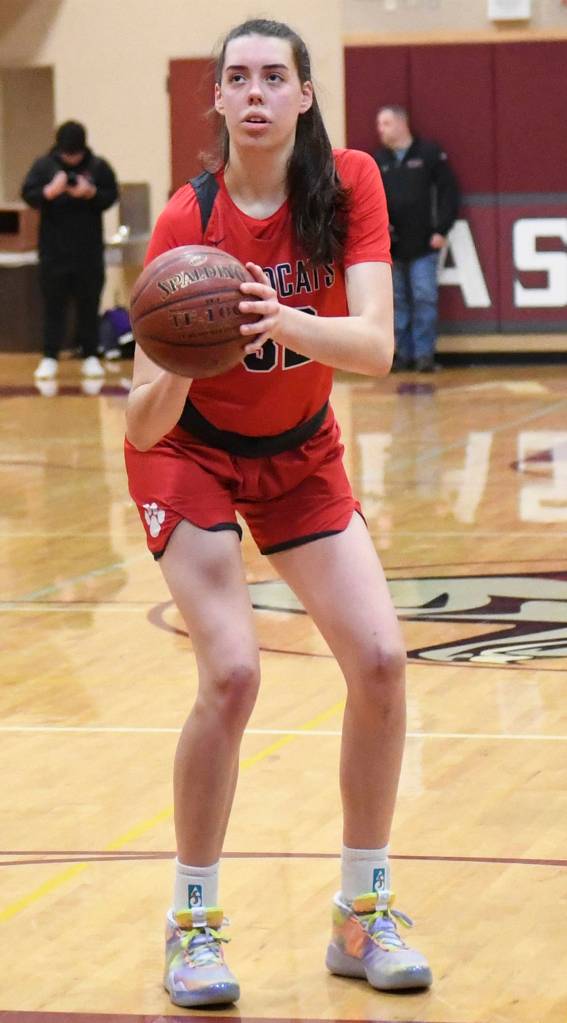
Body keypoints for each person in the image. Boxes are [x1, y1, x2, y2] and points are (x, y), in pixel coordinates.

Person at [125, 19, 432, 1009]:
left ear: (304, 94)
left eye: (273, 76)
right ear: (217, 99)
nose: (254, 92)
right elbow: (139, 421)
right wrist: (186, 355)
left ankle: (361, 911)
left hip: (300, 453)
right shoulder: (188, 219)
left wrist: (277, 318)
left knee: (379, 662)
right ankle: (193, 923)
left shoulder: (347, 184)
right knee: (232, 672)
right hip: (190, 454)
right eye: (238, 78)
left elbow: (377, 347)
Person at [21, 120, 119, 381]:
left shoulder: (98, 167)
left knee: (89, 304)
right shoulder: (44, 166)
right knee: (53, 305)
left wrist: (91, 192)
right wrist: (49, 192)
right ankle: (49, 357)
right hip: (53, 252)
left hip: (89, 252)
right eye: (67, 154)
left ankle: (90, 355)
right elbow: (28, 193)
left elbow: (111, 195)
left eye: (75, 154)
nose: (71, 159)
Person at [374, 105, 460, 373]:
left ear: (402, 124)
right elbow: (369, 200)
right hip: (392, 245)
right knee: (397, 302)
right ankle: (402, 355)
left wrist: (441, 229)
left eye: (386, 123)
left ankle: (424, 356)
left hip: (424, 244)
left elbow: (448, 193)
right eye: (379, 124)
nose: (380, 130)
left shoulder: (429, 154)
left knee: (424, 298)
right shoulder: (379, 160)